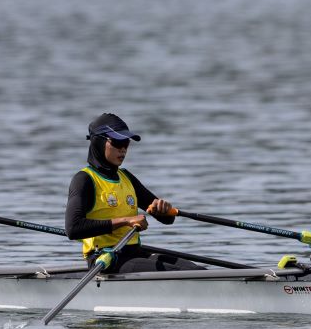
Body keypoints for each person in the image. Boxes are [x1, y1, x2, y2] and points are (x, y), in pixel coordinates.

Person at [65, 113, 206, 274]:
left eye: (126, 143)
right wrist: (125, 221)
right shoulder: (84, 180)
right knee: (180, 274)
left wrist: (163, 210)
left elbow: (168, 220)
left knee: (197, 270)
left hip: (134, 253)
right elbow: (73, 229)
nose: (123, 149)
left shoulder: (126, 178)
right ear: (99, 141)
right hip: (105, 258)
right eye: (118, 142)